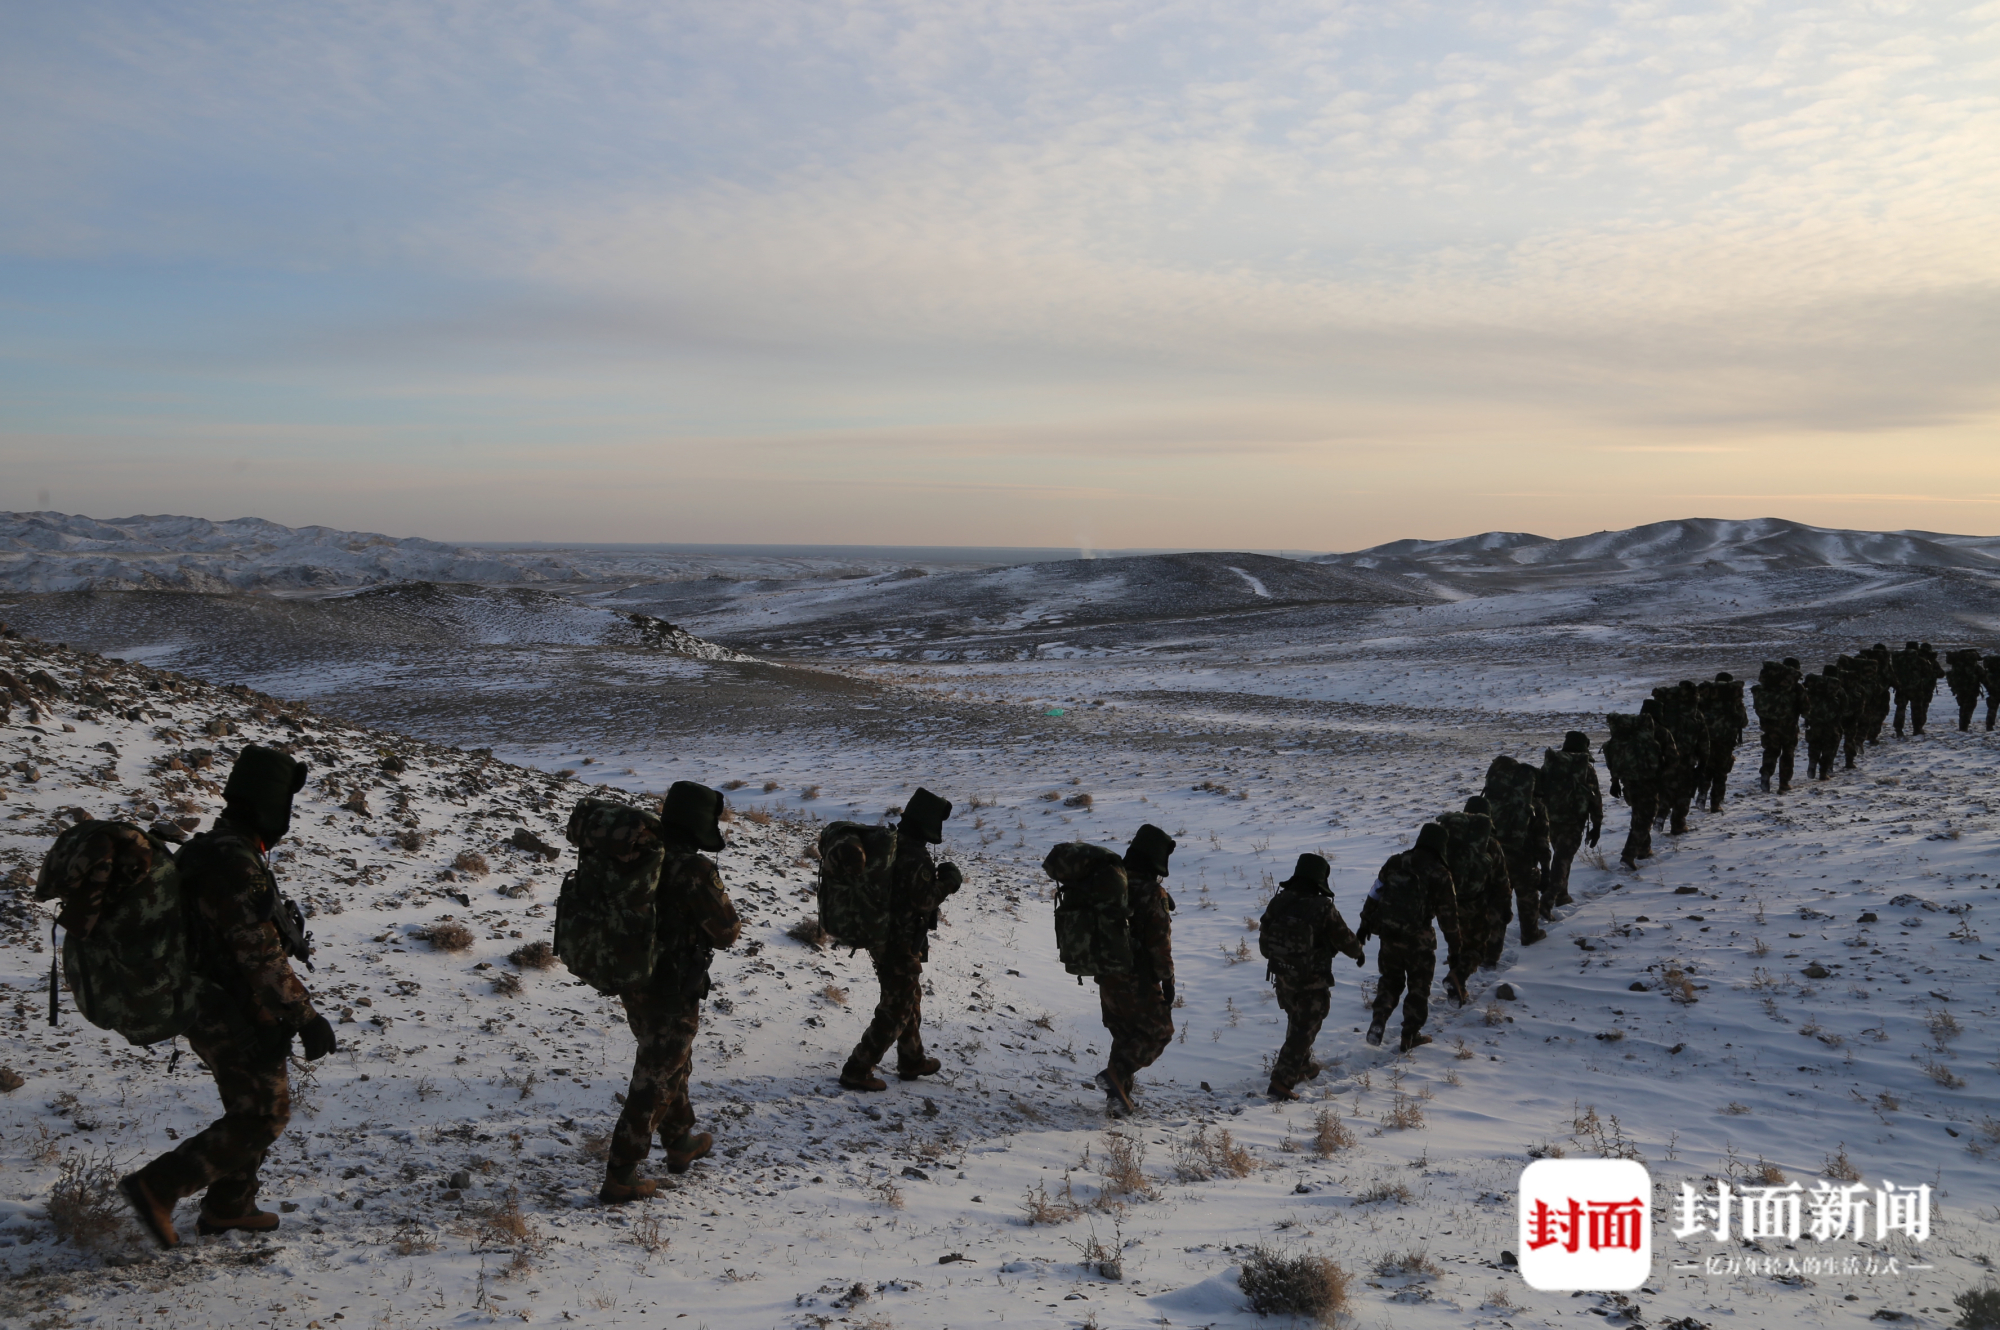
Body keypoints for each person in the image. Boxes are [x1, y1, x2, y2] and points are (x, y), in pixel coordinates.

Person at [120, 745, 336, 1248]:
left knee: (249, 1103)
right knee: (264, 1114)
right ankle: (160, 1185)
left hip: (217, 999)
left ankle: (229, 1208)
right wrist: (305, 1016)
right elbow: (256, 952)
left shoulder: (215, 847)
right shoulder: (232, 860)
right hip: (225, 1005)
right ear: (269, 805)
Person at [601, 781, 741, 1201]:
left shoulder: (638, 856)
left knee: (670, 1063)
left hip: (634, 980)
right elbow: (726, 931)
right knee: (657, 1076)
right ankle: (621, 1173)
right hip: (673, 987)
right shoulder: (693, 869)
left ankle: (680, 1142)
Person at [840, 788, 962, 1092]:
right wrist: (949, 882)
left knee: (909, 998)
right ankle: (858, 1068)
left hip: (884, 937)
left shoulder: (892, 844)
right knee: (896, 1008)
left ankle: (912, 1059)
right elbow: (924, 901)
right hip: (900, 942)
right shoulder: (914, 855)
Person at [1258, 854, 1363, 1101]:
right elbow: (1346, 941)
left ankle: (1302, 1067)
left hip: (1283, 976)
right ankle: (1281, 1082)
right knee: (1305, 1027)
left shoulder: (1279, 901)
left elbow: (1264, 941)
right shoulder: (1323, 907)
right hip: (1312, 980)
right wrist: (1358, 952)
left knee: (1297, 1020)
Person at [1357, 824, 1466, 1054]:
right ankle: (1410, 1035)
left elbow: (1375, 892)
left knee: (1390, 981)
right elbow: (1449, 916)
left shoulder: (1395, 862)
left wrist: (1365, 923)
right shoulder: (1440, 873)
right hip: (1419, 940)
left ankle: (1379, 1019)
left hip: (1389, 936)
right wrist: (1455, 949)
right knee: (1418, 987)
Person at [1093, 824, 1176, 1117]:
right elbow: (1159, 943)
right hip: (1137, 978)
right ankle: (1117, 1075)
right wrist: (1167, 980)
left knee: (1126, 1034)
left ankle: (1119, 1102)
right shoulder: (1153, 892)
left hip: (1106, 974)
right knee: (1160, 1031)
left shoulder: (1112, 884)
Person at [1481, 755, 1550, 943]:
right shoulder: (1533, 805)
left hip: (1494, 858)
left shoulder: (1487, 802)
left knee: (1496, 901)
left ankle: (1491, 949)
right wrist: (1546, 868)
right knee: (1527, 895)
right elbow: (1542, 840)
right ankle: (1530, 934)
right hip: (1523, 857)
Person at [1437, 797, 1512, 969]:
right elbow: (1501, 881)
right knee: (1477, 942)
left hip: (1448, 898)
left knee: (1457, 935)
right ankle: (1484, 961)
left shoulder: (1448, 836)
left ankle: (1456, 963)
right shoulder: (1489, 843)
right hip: (1476, 900)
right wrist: (1505, 908)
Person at [1538, 732, 1603, 910]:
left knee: (1560, 855)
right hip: (1574, 819)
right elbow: (1595, 799)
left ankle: (1562, 895)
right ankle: (1549, 898)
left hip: (1551, 816)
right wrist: (1597, 825)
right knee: (1563, 858)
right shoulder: (1585, 767)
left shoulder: (1551, 764)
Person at [1603, 710, 1675, 869]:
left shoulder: (1618, 741)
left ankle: (1644, 849)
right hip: (1648, 782)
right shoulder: (1648, 740)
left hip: (1627, 783)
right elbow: (1671, 758)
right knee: (1645, 818)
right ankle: (1628, 856)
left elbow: (1612, 762)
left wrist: (1614, 782)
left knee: (1638, 814)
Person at [1650, 682, 1708, 833]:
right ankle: (1679, 824)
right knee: (1684, 791)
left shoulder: (1661, 713)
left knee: (1664, 788)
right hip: (1687, 760)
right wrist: (1703, 760)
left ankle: (1661, 815)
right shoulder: (1695, 714)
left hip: (1664, 759)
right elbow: (1703, 739)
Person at [1752, 659, 1805, 792]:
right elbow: (1805, 707)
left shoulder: (1767, 685)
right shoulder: (1796, 687)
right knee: (1787, 754)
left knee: (1770, 751)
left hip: (1769, 726)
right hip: (1789, 727)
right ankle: (1784, 783)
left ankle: (1766, 774)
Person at [1803, 667, 1845, 779]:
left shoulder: (1814, 687)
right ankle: (1823, 772)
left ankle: (1812, 760)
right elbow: (1844, 705)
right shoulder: (1837, 687)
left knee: (1814, 742)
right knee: (1830, 745)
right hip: (1830, 722)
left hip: (1814, 720)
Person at [1945, 649, 1987, 732]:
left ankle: (1963, 726)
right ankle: (1964, 727)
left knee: (1963, 707)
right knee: (1968, 708)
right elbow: (1984, 678)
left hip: (1959, 689)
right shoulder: (1975, 667)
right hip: (1972, 690)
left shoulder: (1956, 666)